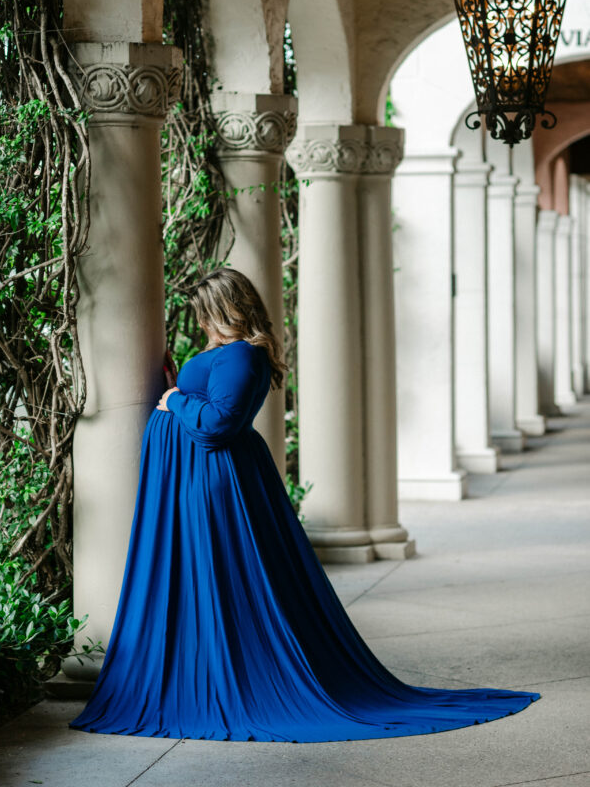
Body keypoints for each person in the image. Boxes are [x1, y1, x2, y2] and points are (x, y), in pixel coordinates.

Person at [69, 268, 539, 742]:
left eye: (207, 314)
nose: (202, 324)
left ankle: (224, 676)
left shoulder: (242, 357)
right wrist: (182, 386)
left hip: (213, 483)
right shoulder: (228, 355)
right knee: (205, 579)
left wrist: (174, 400)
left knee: (220, 580)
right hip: (199, 479)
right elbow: (212, 403)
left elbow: (216, 425)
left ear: (227, 310)